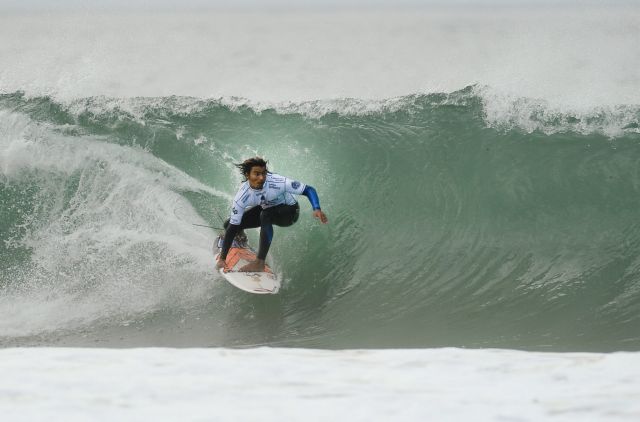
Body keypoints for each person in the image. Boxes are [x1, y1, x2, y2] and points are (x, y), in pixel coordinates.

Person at [216, 157, 328, 272]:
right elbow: (233, 225)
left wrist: (317, 208)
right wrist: (222, 258)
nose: (262, 178)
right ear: (247, 175)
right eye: (257, 174)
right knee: (228, 224)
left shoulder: (277, 181)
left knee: (266, 214)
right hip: (267, 208)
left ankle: (259, 262)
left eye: (264, 173)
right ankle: (241, 237)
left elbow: (308, 189)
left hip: (290, 212)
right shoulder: (242, 196)